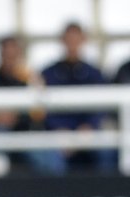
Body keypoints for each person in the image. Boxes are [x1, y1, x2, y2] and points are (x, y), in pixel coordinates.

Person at [0, 36, 63, 176]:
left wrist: (14, 117)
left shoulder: (28, 79)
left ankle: (57, 190)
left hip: (24, 134)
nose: (10, 58)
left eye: (13, 54)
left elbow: (35, 114)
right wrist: (1, 117)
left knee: (50, 156)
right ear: (0, 54)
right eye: (6, 54)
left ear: (19, 55)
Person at [40, 22, 117, 172]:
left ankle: (105, 193)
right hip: (58, 133)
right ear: (62, 41)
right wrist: (59, 129)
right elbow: (42, 108)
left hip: (89, 132)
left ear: (83, 40)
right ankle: (57, 194)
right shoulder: (48, 73)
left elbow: (102, 106)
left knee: (106, 153)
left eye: (76, 39)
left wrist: (89, 127)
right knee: (49, 156)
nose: (72, 44)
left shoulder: (94, 73)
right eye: (69, 40)